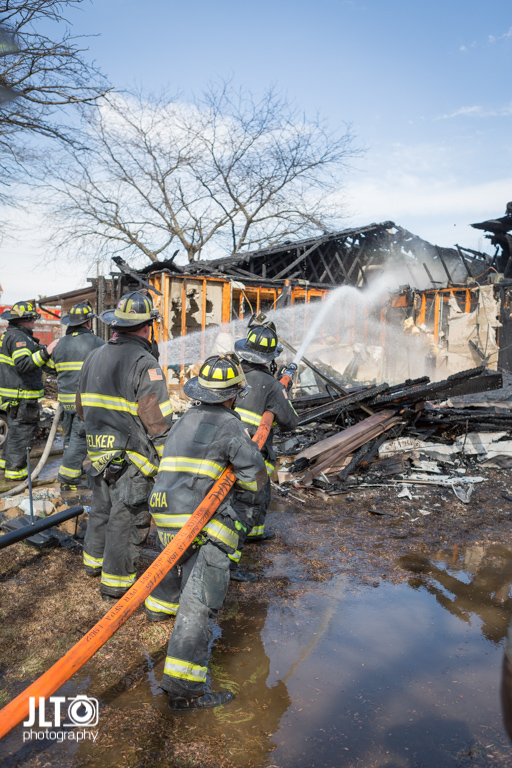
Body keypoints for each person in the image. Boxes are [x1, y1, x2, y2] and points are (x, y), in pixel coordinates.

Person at [145, 353, 267, 711]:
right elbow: (254, 478)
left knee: (175, 567)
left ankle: (158, 608)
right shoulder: (230, 425)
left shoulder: (185, 418)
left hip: (165, 511)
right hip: (198, 519)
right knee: (201, 601)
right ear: (235, 393)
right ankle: (184, 688)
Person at [78, 291, 173, 600]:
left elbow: (80, 407)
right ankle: (116, 585)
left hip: (97, 453)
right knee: (126, 520)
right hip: (132, 460)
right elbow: (157, 422)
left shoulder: (94, 355)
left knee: (102, 510)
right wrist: (169, 461)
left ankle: (92, 564)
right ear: (147, 326)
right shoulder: (145, 363)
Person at [233, 322, 298, 542]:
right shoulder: (272, 386)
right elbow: (290, 422)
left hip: (223, 451)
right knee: (253, 500)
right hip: (254, 457)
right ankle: (241, 542)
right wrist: (283, 393)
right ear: (270, 358)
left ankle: (254, 534)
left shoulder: (231, 374)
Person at [47, 301, 105, 490]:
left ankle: (73, 470)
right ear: (88, 323)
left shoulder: (60, 344)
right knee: (80, 439)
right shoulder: (97, 343)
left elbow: (50, 369)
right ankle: (69, 476)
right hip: (85, 403)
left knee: (70, 437)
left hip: (65, 402)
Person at [0, 300, 54, 481]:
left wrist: (40, 350)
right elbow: (23, 364)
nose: (35, 322)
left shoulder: (11, 335)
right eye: (33, 319)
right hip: (21, 396)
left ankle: (5, 465)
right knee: (21, 434)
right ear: (26, 319)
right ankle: (16, 475)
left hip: (13, 394)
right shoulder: (19, 338)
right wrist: (47, 352)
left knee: (14, 432)